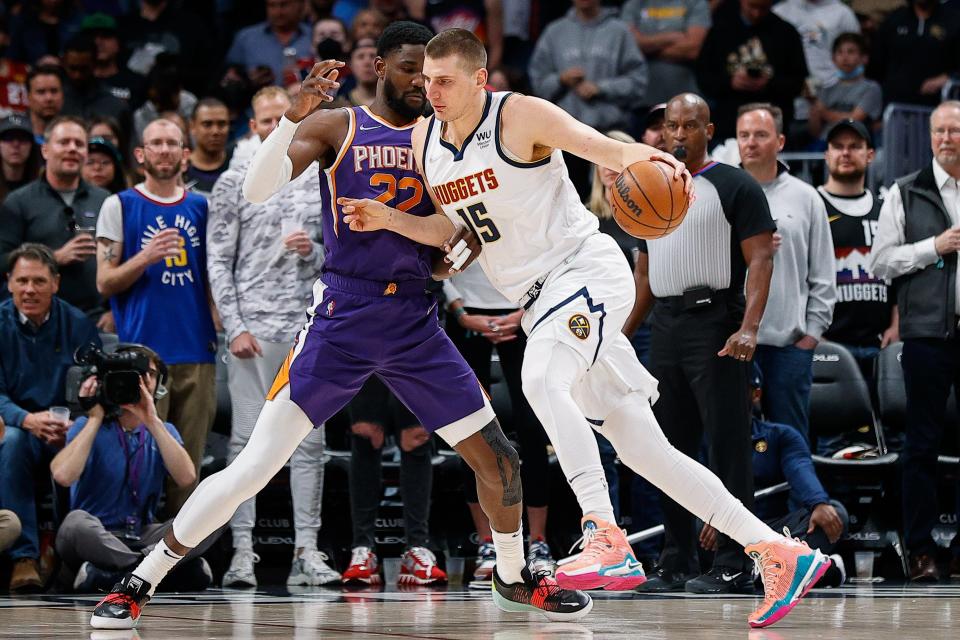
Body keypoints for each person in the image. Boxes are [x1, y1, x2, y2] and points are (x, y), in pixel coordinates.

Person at [90, 22, 591, 630]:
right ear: (380, 66)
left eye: (434, 76)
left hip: (414, 317)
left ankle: (513, 576)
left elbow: (454, 243)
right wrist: (291, 118)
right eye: (412, 70)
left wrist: (457, 253)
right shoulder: (339, 125)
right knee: (253, 467)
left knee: (500, 459)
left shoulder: (447, 140)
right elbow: (257, 187)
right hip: (342, 317)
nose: (423, 84)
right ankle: (141, 578)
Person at [340, 29, 831, 629]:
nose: (429, 89)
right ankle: (779, 552)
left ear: (478, 80)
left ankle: (604, 534)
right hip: (537, 298)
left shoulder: (519, 115)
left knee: (541, 379)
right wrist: (387, 217)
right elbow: (452, 234)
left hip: (583, 273)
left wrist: (653, 161)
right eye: (425, 80)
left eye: (443, 80)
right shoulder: (427, 142)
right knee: (648, 452)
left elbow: (607, 150)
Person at [626, 94, 772, 594]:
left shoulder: (735, 185)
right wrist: (620, 337)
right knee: (668, 449)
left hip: (717, 323)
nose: (680, 134)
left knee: (729, 445)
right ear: (663, 130)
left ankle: (736, 560)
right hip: (665, 324)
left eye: (691, 125)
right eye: (672, 126)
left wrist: (749, 327)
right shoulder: (651, 184)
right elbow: (644, 276)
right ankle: (676, 557)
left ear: (710, 128)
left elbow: (759, 261)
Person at [207, 86, 334, 588]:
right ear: (255, 126)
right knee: (243, 443)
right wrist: (234, 324)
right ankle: (242, 552)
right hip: (252, 332)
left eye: (282, 117)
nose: (273, 125)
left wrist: (312, 252)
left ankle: (308, 550)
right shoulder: (233, 182)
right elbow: (217, 259)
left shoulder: (319, 177)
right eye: (265, 119)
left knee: (309, 444)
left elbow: (340, 256)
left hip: (308, 328)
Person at [95, 117, 218, 518]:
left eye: (171, 143)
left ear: (185, 155)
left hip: (197, 349)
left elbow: (214, 276)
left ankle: (182, 555)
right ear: (140, 153)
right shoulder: (120, 205)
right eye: (156, 143)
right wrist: (146, 256)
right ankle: (135, 552)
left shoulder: (203, 205)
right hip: (142, 357)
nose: (164, 150)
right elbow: (105, 282)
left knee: (188, 465)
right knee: (143, 462)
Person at [869, 100, 960, 582]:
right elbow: (880, 261)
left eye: (955, 131)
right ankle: (922, 551)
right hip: (927, 332)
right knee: (921, 445)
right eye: (939, 131)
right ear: (929, 137)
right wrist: (934, 247)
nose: (946, 139)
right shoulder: (906, 191)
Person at [51, 345, 217, 593]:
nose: (140, 380)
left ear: (158, 382)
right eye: (132, 373)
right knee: (76, 523)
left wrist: (152, 420)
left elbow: (186, 478)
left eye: (147, 373)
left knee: (214, 512)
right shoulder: (88, 424)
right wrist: (95, 417)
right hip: (96, 536)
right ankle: (154, 571)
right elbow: (63, 476)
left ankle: (114, 576)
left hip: (143, 535)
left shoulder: (163, 430)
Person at [442, 262, 556, 586]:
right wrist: (460, 312)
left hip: (522, 308)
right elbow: (434, 258)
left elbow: (543, 252)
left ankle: (538, 542)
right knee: (470, 428)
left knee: (533, 428)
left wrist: (527, 309)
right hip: (464, 311)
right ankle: (487, 543)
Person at [0, 243, 101, 592]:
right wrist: (26, 419)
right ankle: (24, 557)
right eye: (22, 281)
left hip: (66, 426)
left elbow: (92, 383)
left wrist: (73, 422)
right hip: (19, 424)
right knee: (12, 443)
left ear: (55, 283)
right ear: (9, 283)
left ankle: (66, 554)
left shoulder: (77, 323)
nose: (30, 290)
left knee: (85, 440)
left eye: (39, 281)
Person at [737, 103, 837, 442]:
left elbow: (824, 274)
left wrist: (810, 337)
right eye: (744, 135)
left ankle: (800, 498)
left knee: (792, 441)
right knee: (733, 445)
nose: (751, 142)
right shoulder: (722, 193)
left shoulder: (806, 197)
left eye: (760, 135)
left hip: (788, 345)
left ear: (779, 141)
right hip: (731, 342)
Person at [699, 366, 849, 588]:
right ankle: (816, 570)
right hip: (725, 528)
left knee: (833, 513)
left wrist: (818, 502)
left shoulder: (780, 436)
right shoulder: (702, 439)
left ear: (755, 394)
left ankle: (767, 570)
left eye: (737, 388)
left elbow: (800, 468)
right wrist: (712, 515)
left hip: (774, 530)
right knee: (694, 525)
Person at [528, 0, 647, 198]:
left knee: (618, 205)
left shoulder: (619, 31)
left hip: (611, 135)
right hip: (565, 140)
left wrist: (601, 88)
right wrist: (561, 79)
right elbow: (537, 83)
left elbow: (638, 81)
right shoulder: (554, 32)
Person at [0, 116, 111, 324]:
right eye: (63, 142)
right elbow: (2, 261)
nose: (72, 149)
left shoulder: (105, 200)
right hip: (37, 322)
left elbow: (119, 261)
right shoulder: (18, 202)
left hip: (95, 320)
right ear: (45, 150)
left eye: (79, 144)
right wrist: (54, 257)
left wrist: (114, 311)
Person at [343, 377, 445, 585]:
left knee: (416, 435)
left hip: (413, 348)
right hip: (364, 348)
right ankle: (362, 549)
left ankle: (417, 547)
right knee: (366, 432)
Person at [818, 119, 897, 379]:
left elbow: (901, 273)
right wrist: (813, 332)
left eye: (855, 146)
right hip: (826, 343)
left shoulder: (887, 208)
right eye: (838, 146)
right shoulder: (812, 205)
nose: (846, 153)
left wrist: (897, 325)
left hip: (881, 343)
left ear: (870, 154)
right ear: (827, 154)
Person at [696, 0, 807, 143]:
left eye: (763, 8)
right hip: (728, 125)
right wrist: (730, 82)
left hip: (772, 126)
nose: (756, 13)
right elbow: (703, 76)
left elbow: (798, 81)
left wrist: (769, 84)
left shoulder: (785, 32)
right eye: (752, 7)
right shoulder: (721, 30)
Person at [869, 0, 960, 107]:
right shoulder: (894, 20)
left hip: (938, 107)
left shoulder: (953, 21)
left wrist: (947, 77)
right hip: (896, 105)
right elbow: (876, 65)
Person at [621, 0, 711, 108]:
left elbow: (692, 50)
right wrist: (669, 38)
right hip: (638, 101)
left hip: (684, 102)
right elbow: (628, 45)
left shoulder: (695, 2)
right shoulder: (633, 4)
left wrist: (644, 48)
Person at [809, 33, 883, 140]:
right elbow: (814, 132)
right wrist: (814, 110)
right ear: (833, 58)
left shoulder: (871, 88)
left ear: (864, 58)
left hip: (855, 145)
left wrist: (823, 112)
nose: (844, 57)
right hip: (824, 144)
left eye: (851, 52)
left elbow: (854, 119)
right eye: (840, 52)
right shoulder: (826, 88)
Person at [226, 0, 314, 89]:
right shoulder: (246, 38)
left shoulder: (314, 35)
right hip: (257, 99)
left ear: (300, 5)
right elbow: (231, 77)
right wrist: (247, 81)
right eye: (271, 5)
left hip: (307, 101)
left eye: (284, 5)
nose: (278, 12)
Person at [59, 34, 131, 137]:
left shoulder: (115, 106)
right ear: (63, 63)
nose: (77, 75)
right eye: (73, 68)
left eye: (83, 69)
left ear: (95, 64)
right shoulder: (55, 102)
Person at [184, 99, 232, 196]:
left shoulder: (240, 164)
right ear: (192, 127)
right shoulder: (180, 171)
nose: (215, 131)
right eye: (207, 124)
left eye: (222, 124)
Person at [0, 114, 42, 202]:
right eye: (8, 138)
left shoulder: (43, 187)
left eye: (22, 138)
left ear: (31, 146)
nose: (15, 145)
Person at [26, 66, 65, 144]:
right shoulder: (16, 133)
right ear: (28, 97)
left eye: (54, 91)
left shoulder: (75, 133)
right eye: (41, 92)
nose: (49, 98)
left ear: (63, 95)